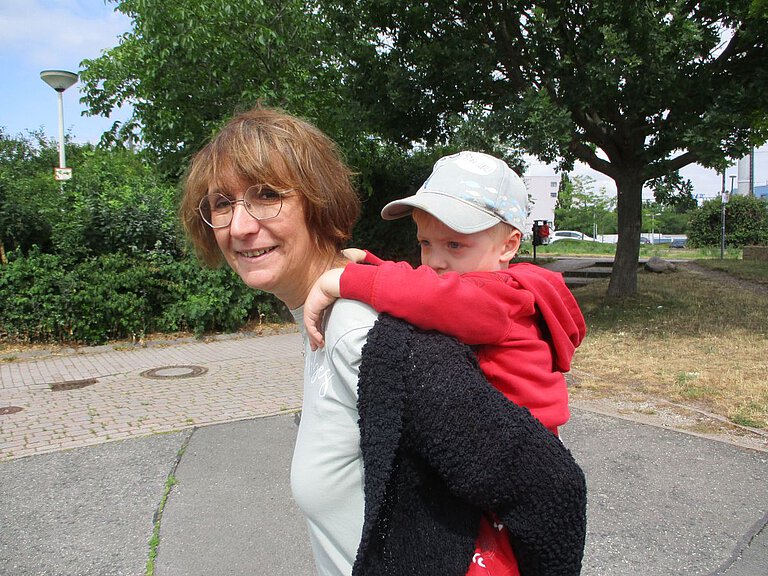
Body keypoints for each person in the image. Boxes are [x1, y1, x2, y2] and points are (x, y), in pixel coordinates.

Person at [180, 108, 586, 576]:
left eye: (268, 196)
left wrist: (348, 280)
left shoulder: (364, 335)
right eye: (221, 203)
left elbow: (551, 486)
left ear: (318, 202)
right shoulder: (336, 318)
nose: (240, 226)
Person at [304, 151, 586, 437]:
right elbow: (425, 285)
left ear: (508, 246)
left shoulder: (500, 296)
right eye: (425, 243)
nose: (434, 260)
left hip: (519, 452)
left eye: (454, 245)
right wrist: (370, 263)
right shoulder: (495, 287)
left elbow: (435, 297)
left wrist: (347, 279)